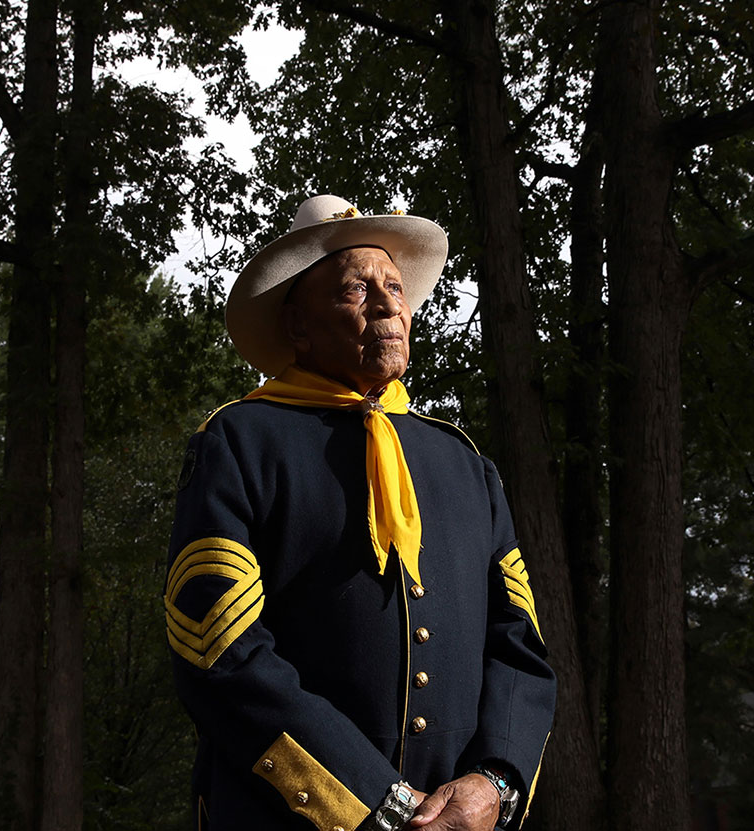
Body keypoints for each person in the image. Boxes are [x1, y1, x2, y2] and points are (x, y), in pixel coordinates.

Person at [165, 194, 556, 831]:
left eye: (395, 286)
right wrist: (379, 802)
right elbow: (217, 647)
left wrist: (497, 783)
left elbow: (519, 652)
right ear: (298, 326)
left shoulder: (467, 465)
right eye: (356, 289)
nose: (387, 305)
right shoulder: (240, 442)